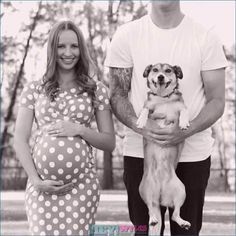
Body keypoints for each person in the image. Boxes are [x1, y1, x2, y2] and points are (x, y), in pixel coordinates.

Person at [105, 1, 227, 236]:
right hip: (140, 155)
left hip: (193, 156)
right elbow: (117, 94)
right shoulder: (127, 35)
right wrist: (139, 126)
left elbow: (217, 101)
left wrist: (185, 131)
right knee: (145, 232)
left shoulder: (205, 37)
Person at [14, 20, 115, 236]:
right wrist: (35, 181)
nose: (68, 52)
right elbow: (19, 139)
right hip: (41, 188)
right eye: (61, 46)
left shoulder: (96, 89)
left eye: (74, 46)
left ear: (81, 49)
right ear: (52, 49)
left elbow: (109, 142)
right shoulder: (34, 89)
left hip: (82, 188)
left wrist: (79, 130)